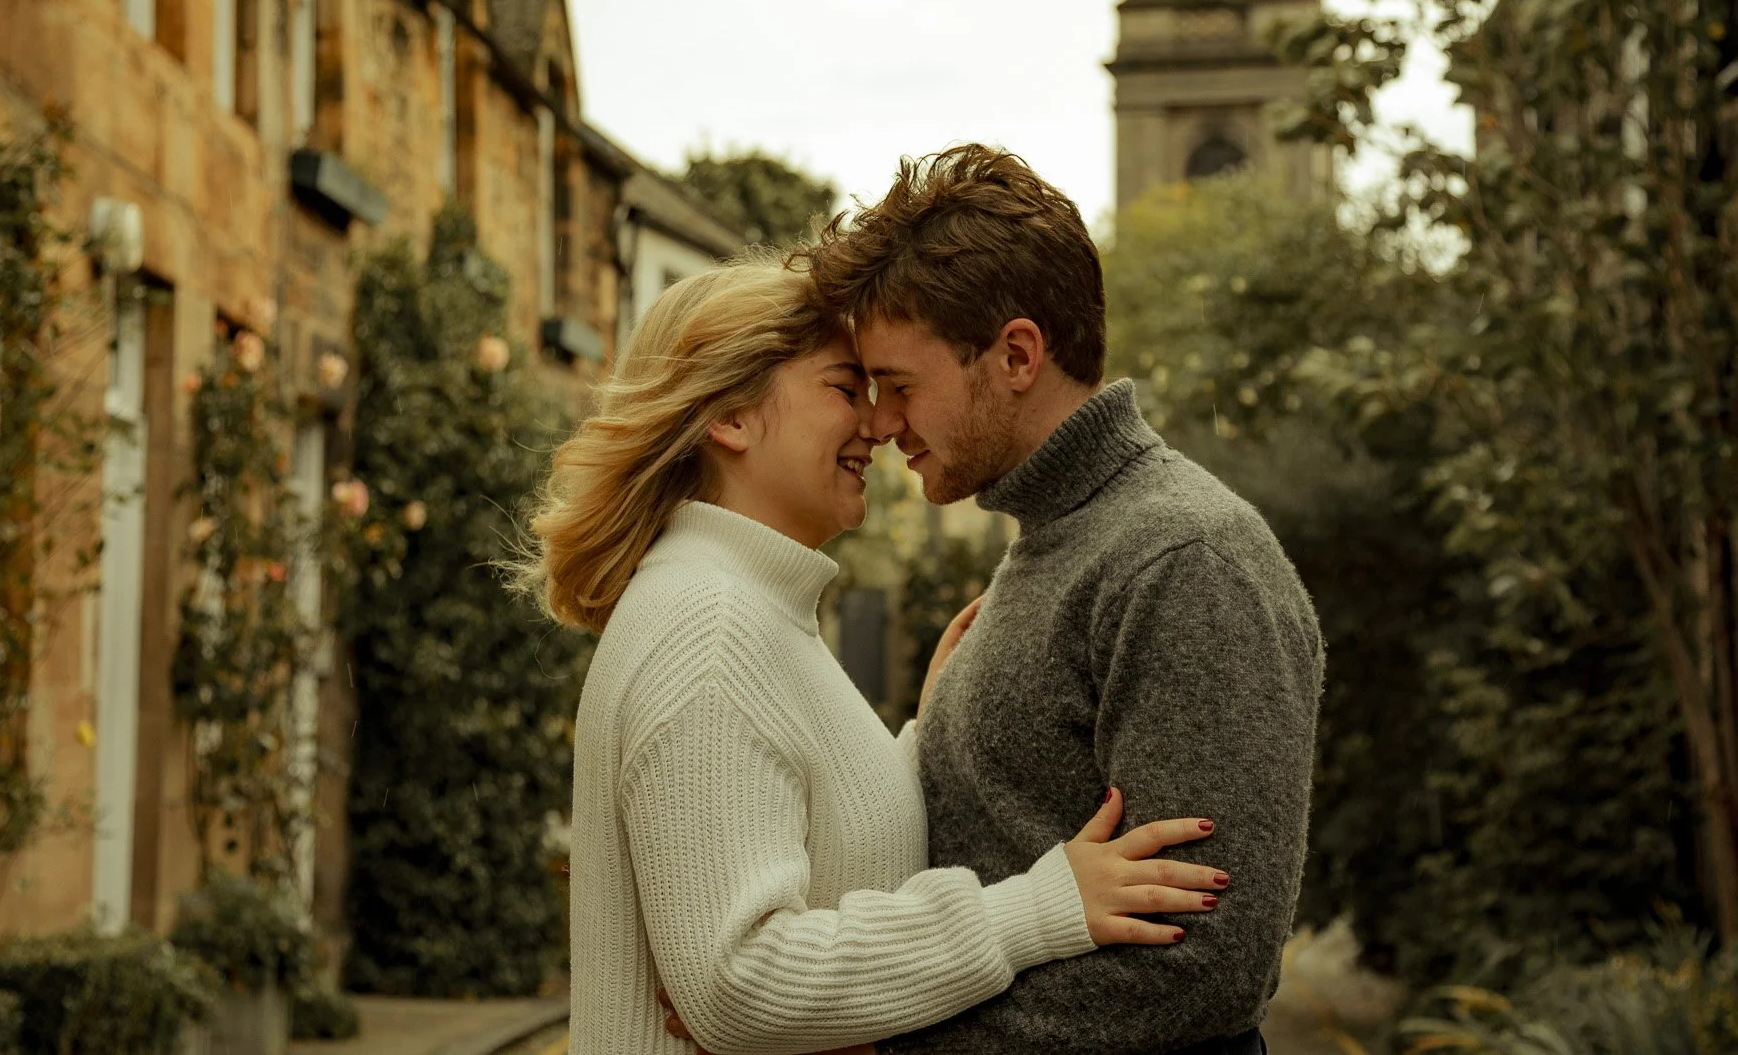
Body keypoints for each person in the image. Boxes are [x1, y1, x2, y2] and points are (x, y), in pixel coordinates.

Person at [521, 260, 1232, 1055]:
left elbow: (815, 844)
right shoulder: (710, 624)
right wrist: (1037, 908)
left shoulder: (753, 609)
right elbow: (738, 982)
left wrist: (926, 740)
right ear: (731, 417)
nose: (877, 424)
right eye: (842, 387)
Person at [800, 145, 1326, 1054]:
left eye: (901, 384)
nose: (880, 424)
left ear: (1015, 354)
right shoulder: (1054, 542)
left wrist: (890, 1040)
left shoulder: (1183, 559)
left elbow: (1203, 967)